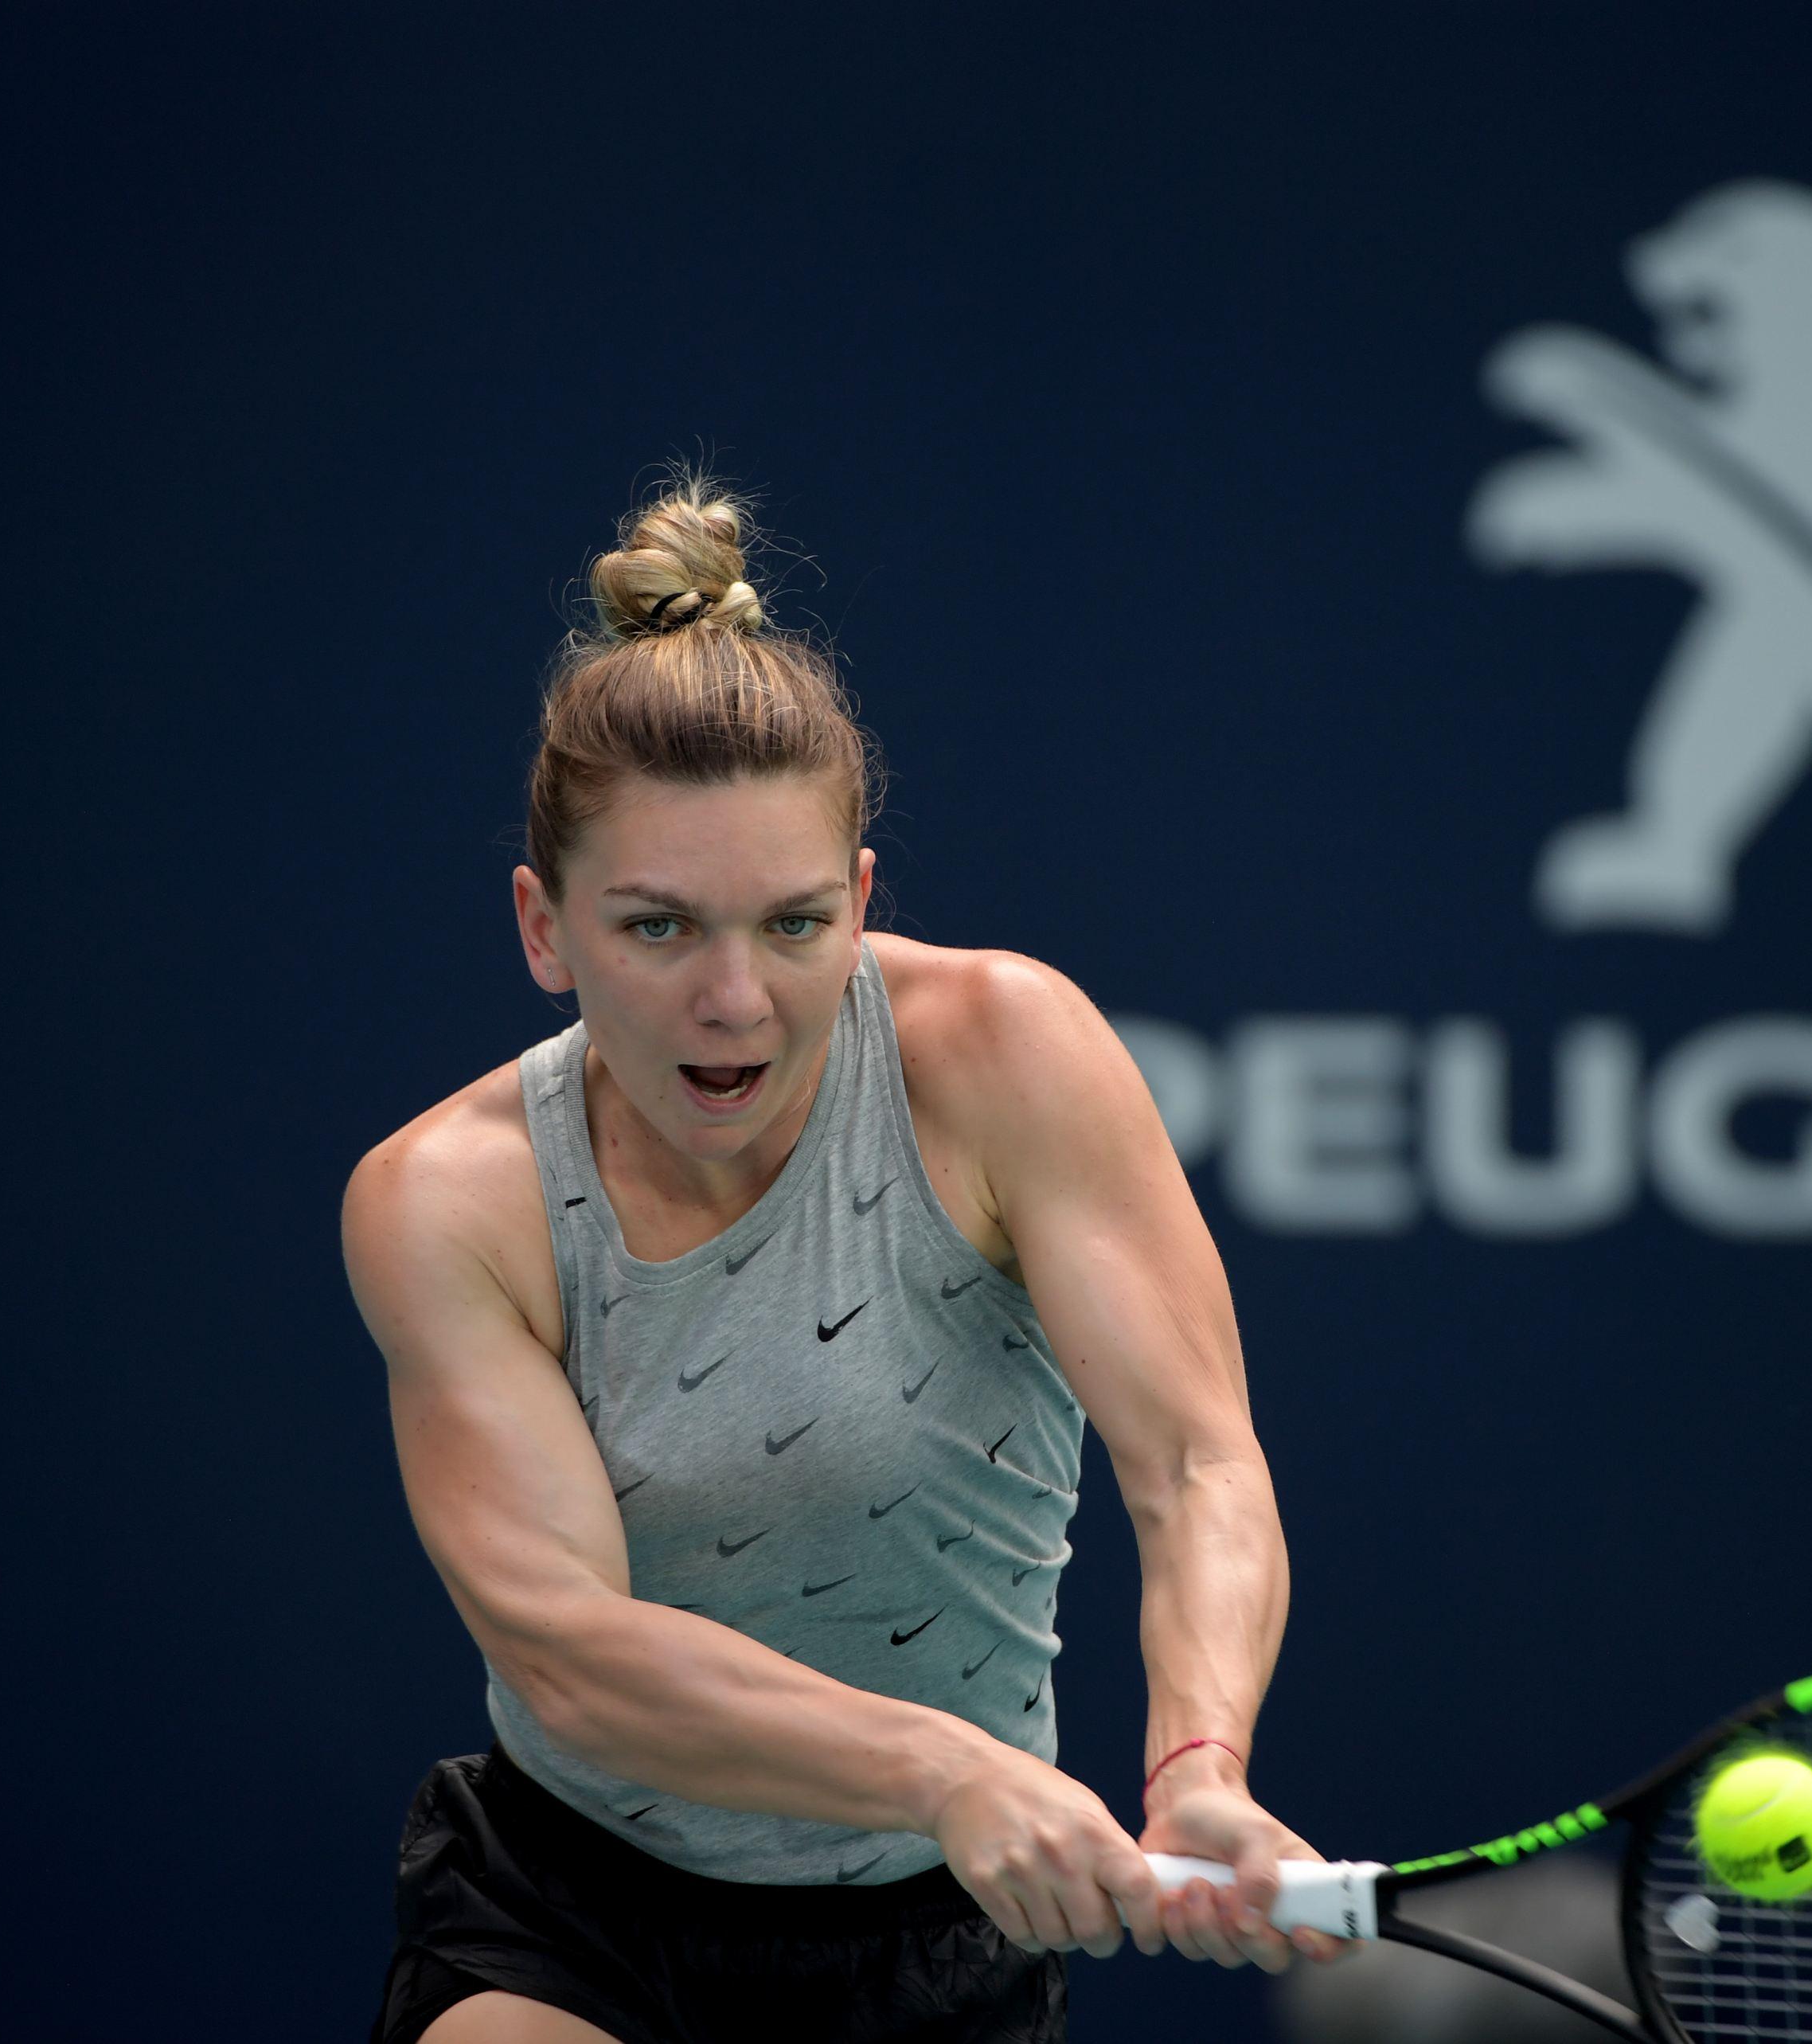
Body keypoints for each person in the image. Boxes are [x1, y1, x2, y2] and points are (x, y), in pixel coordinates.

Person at [343, 479, 1343, 2044]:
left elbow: (1195, 1464)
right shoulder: (447, 1202)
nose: (735, 998)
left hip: (934, 1938)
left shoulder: (1006, 1054)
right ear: (544, 929)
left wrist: (1195, 1764)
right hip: (571, 1913)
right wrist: (941, 1767)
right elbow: (574, 1656)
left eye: (794, 925)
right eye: (658, 929)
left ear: (862, 900)